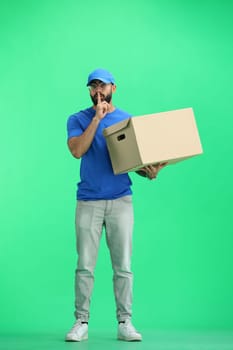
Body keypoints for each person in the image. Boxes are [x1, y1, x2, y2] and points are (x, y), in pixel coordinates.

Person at [65, 68, 166, 342]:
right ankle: (81, 322)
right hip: (88, 201)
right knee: (85, 265)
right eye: (93, 87)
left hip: (121, 200)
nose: (98, 91)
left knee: (123, 265)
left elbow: (134, 161)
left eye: (103, 86)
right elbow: (77, 150)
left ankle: (125, 322)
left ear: (113, 88)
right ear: (89, 91)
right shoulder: (78, 119)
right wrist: (97, 119)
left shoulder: (127, 120)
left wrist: (149, 172)